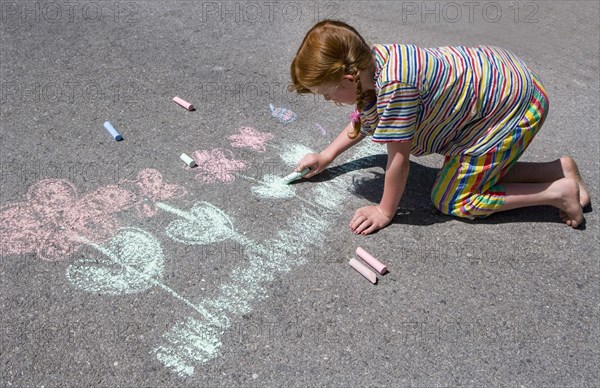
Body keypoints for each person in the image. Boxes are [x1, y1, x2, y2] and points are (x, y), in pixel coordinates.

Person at [288, 20, 590, 235]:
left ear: (348, 80)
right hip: (500, 80)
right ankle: (559, 170)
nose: (329, 99)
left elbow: (399, 160)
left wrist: (384, 211)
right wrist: (326, 157)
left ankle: (556, 192)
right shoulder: (370, 62)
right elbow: (365, 119)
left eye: (327, 92)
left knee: (453, 199)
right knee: (466, 171)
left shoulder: (395, 87)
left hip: (513, 105)